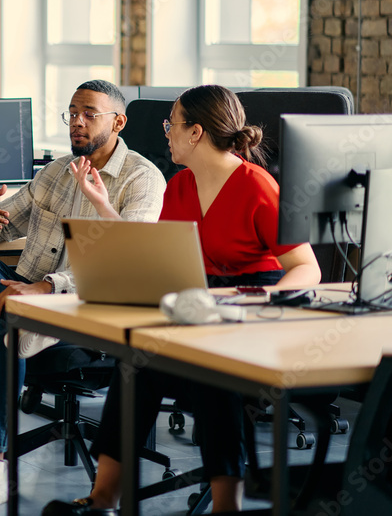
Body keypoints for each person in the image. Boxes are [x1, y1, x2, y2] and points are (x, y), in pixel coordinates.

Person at [45, 84, 321, 516]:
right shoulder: (181, 185)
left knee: (216, 368)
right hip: (199, 304)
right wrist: (102, 204)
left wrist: (249, 302)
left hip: (251, 311)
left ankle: (227, 506)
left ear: (195, 133)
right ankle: (102, 500)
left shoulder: (256, 186)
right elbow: (152, 253)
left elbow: (307, 268)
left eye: (170, 124)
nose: (165, 133)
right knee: (135, 360)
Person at [0, 80, 167, 513]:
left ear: (118, 122)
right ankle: (7, 299)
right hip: (26, 288)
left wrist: (47, 288)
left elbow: (128, 262)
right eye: (72, 112)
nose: (77, 122)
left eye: (89, 113)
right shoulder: (57, 171)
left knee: (3, 318)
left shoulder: (143, 179)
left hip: (85, 305)